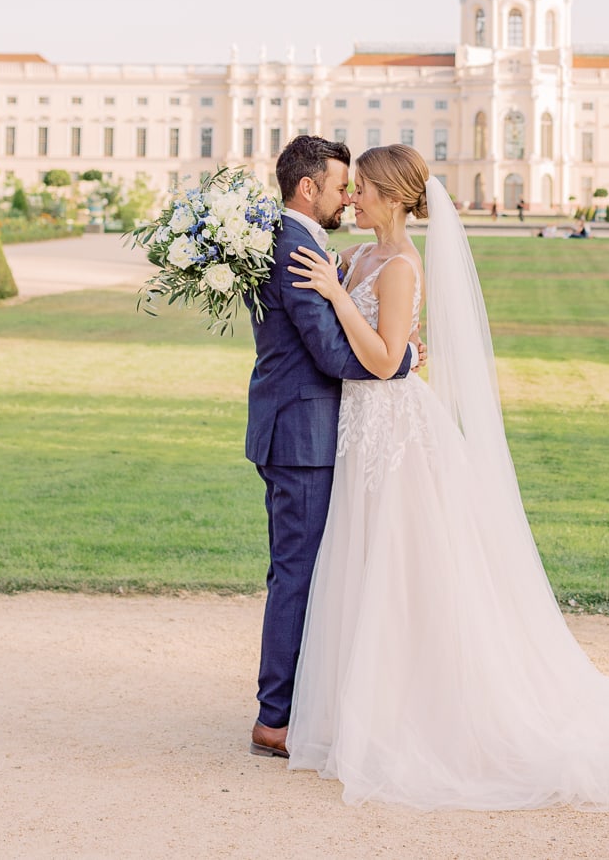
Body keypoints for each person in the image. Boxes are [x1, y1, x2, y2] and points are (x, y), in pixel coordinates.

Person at [284, 143, 609, 810]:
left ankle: (413, 714)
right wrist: (350, 298)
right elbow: (380, 346)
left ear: (391, 195)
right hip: (363, 430)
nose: (351, 198)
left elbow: (388, 359)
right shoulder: (355, 257)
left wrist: (343, 301)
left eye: (361, 188)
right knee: (367, 566)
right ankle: (361, 708)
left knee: (408, 569)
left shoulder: (400, 265)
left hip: (395, 433)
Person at [244, 136, 420, 761]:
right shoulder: (298, 246)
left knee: (324, 568)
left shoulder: (318, 245)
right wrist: (401, 365)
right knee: (299, 570)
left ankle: (309, 702)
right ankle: (276, 717)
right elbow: (330, 352)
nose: (351, 196)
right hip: (304, 432)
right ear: (308, 189)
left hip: (316, 429)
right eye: (343, 186)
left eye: (359, 187)